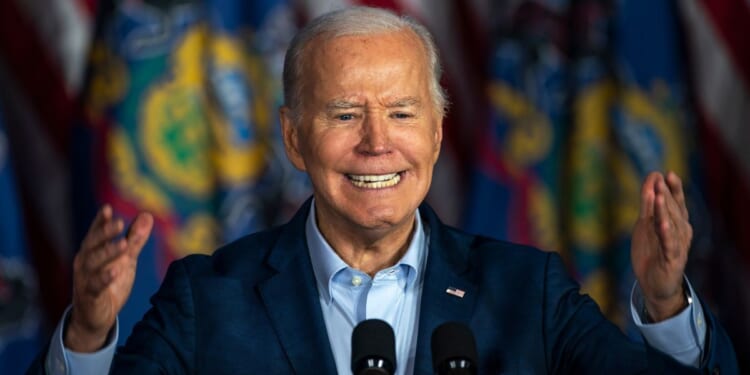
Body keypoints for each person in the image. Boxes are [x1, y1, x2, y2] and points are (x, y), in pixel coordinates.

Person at [29, 6, 737, 375]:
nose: (376, 142)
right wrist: (89, 332)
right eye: (344, 114)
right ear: (294, 137)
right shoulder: (205, 301)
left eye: (401, 113)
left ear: (435, 135)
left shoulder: (531, 293)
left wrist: (668, 302)